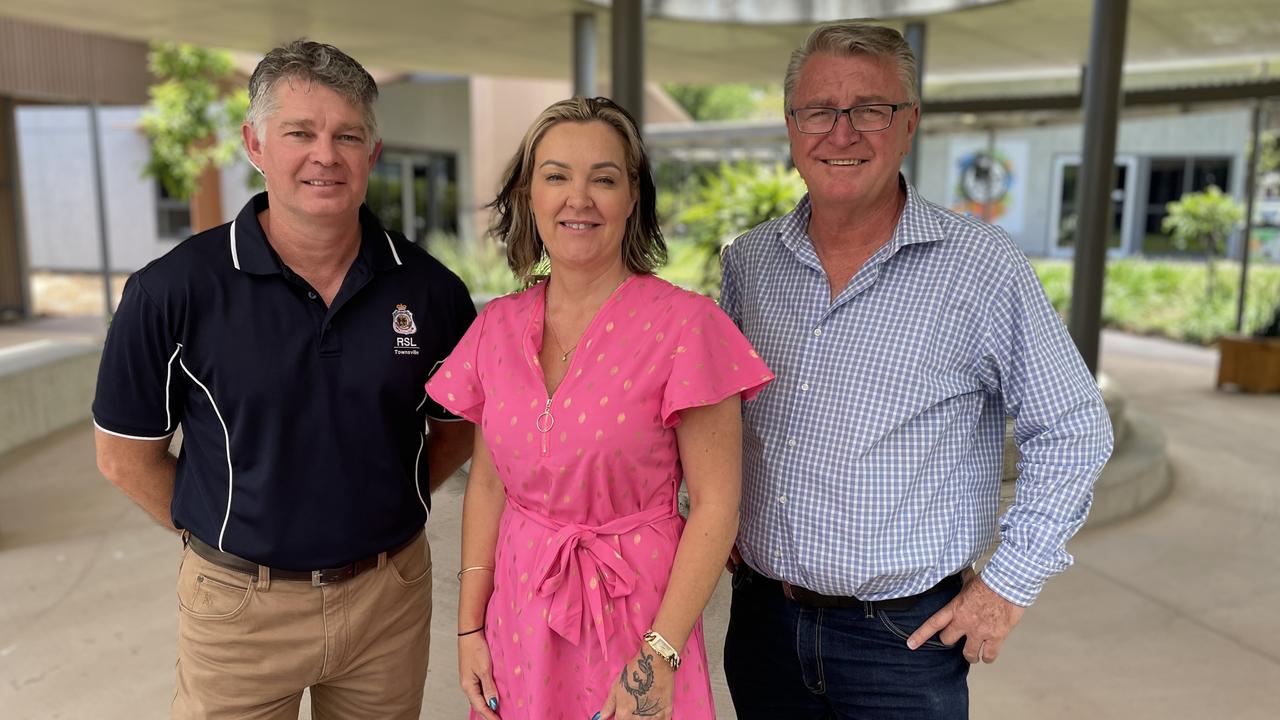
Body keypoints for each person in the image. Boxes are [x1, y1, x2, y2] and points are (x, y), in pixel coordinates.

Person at [719, 22, 1115, 719]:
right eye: (818, 111)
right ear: (791, 126)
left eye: (870, 109)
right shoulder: (750, 263)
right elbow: (723, 415)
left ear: (908, 125)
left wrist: (1008, 585)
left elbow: (1076, 428)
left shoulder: (980, 266)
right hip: (763, 625)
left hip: (899, 644)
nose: (841, 133)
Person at [92, 40, 475, 719]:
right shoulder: (172, 291)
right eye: (300, 132)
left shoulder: (433, 293)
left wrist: (386, 507)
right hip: (239, 613)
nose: (324, 155)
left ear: (372, 155)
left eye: (346, 136)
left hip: (389, 601)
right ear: (255, 144)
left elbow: (455, 430)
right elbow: (125, 458)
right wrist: (219, 538)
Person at [425, 96, 772, 720]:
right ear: (529, 194)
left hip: (639, 621)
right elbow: (488, 483)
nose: (577, 199)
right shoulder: (496, 328)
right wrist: (469, 627)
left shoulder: (688, 328)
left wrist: (658, 656)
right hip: (521, 618)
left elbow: (718, 507)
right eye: (556, 176)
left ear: (632, 194)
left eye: (603, 179)